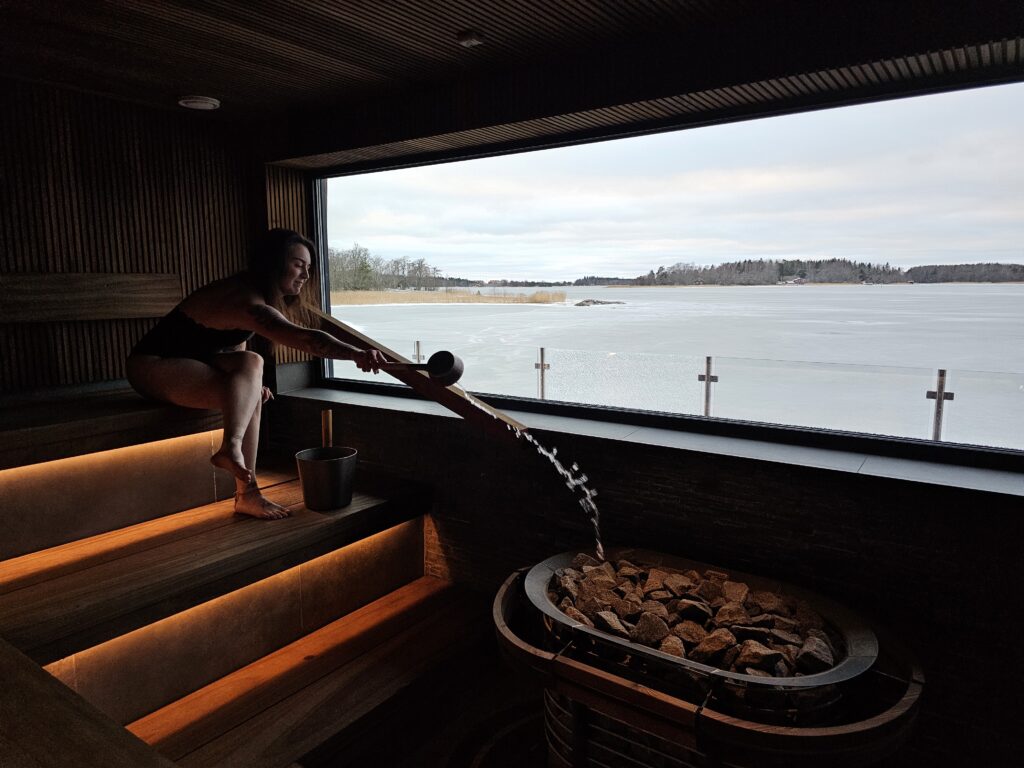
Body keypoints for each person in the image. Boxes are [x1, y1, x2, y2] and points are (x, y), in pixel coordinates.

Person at [127, 228, 385, 519]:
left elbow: (233, 346)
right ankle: (239, 471)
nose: (305, 275)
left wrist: (249, 384)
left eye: (309, 268)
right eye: (298, 265)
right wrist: (354, 354)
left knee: (252, 363)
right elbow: (303, 338)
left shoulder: (253, 294)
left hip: (196, 362)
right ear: (273, 262)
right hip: (153, 366)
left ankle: (244, 486)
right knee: (249, 383)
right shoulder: (246, 300)